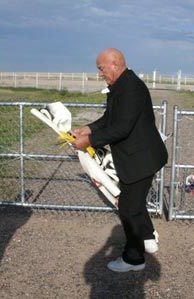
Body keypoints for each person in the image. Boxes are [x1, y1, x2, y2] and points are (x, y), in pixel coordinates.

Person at [71, 48, 168, 272]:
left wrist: (89, 141)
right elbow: (110, 118)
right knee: (133, 202)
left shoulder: (131, 88)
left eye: (101, 68)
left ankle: (134, 259)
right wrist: (88, 128)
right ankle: (148, 240)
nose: (100, 73)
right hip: (137, 157)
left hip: (141, 158)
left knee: (128, 208)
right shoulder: (122, 85)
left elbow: (122, 128)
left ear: (114, 64)